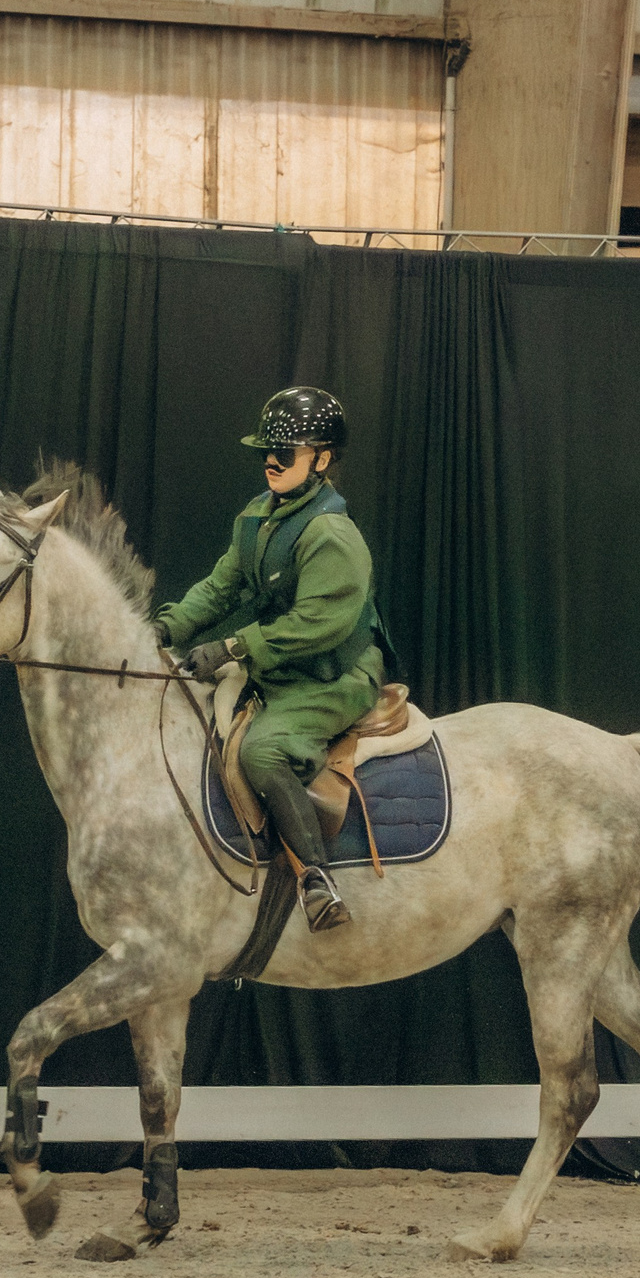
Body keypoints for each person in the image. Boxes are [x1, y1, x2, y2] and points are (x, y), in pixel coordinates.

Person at [154, 387, 386, 931]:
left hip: (333, 675)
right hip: (281, 668)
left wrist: (233, 647)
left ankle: (317, 882)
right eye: (268, 451)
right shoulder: (258, 517)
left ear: (323, 460)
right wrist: (167, 626)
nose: (272, 462)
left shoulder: (332, 534)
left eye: (288, 451)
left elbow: (316, 626)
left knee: (261, 752)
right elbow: (219, 588)